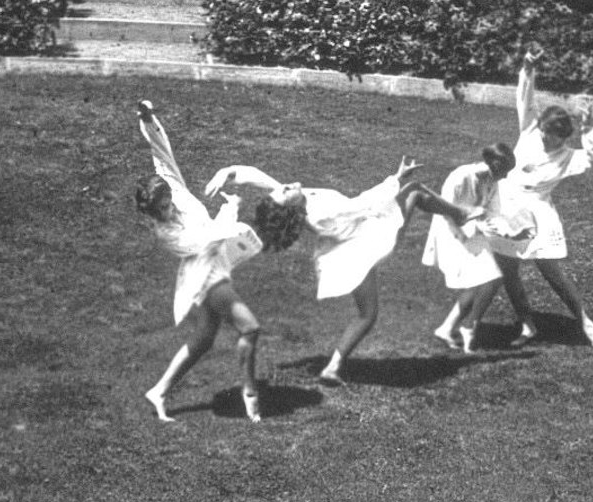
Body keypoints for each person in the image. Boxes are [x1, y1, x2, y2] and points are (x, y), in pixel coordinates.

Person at [204, 156, 420, 386]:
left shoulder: (297, 200)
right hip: (355, 252)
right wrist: (396, 178)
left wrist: (228, 172)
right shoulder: (322, 212)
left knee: (367, 314)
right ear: (292, 209)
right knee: (368, 314)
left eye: (283, 189)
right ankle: (460, 215)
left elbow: (259, 178)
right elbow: (363, 203)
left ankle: (332, 368)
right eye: (285, 192)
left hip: (345, 250)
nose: (285, 186)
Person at [134, 100, 267, 423]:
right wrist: (232, 206)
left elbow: (161, 154)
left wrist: (148, 119)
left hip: (216, 266)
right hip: (205, 278)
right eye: (161, 211)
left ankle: (160, 391)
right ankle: (250, 395)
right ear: (153, 214)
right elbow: (210, 239)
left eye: (167, 203)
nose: (168, 211)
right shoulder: (167, 234)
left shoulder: (173, 189)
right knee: (250, 328)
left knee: (204, 339)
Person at [488, 47, 593, 351]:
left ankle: (584, 321)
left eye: (549, 135)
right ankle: (527, 323)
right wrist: (528, 65)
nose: (543, 137)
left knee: (550, 269)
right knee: (507, 267)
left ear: (563, 136)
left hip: (537, 211)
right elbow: (525, 97)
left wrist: (589, 128)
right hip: (506, 204)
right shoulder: (530, 128)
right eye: (542, 130)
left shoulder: (568, 156)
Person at [404, 142, 528, 354]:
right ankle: (467, 326)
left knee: (485, 279)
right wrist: (463, 233)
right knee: (490, 277)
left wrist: (511, 233)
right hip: (450, 232)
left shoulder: (492, 181)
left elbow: (492, 213)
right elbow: (444, 208)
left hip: (472, 232)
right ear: (496, 164)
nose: (506, 177)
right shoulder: (462, 176)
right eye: (505, 171)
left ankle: (448, 328)